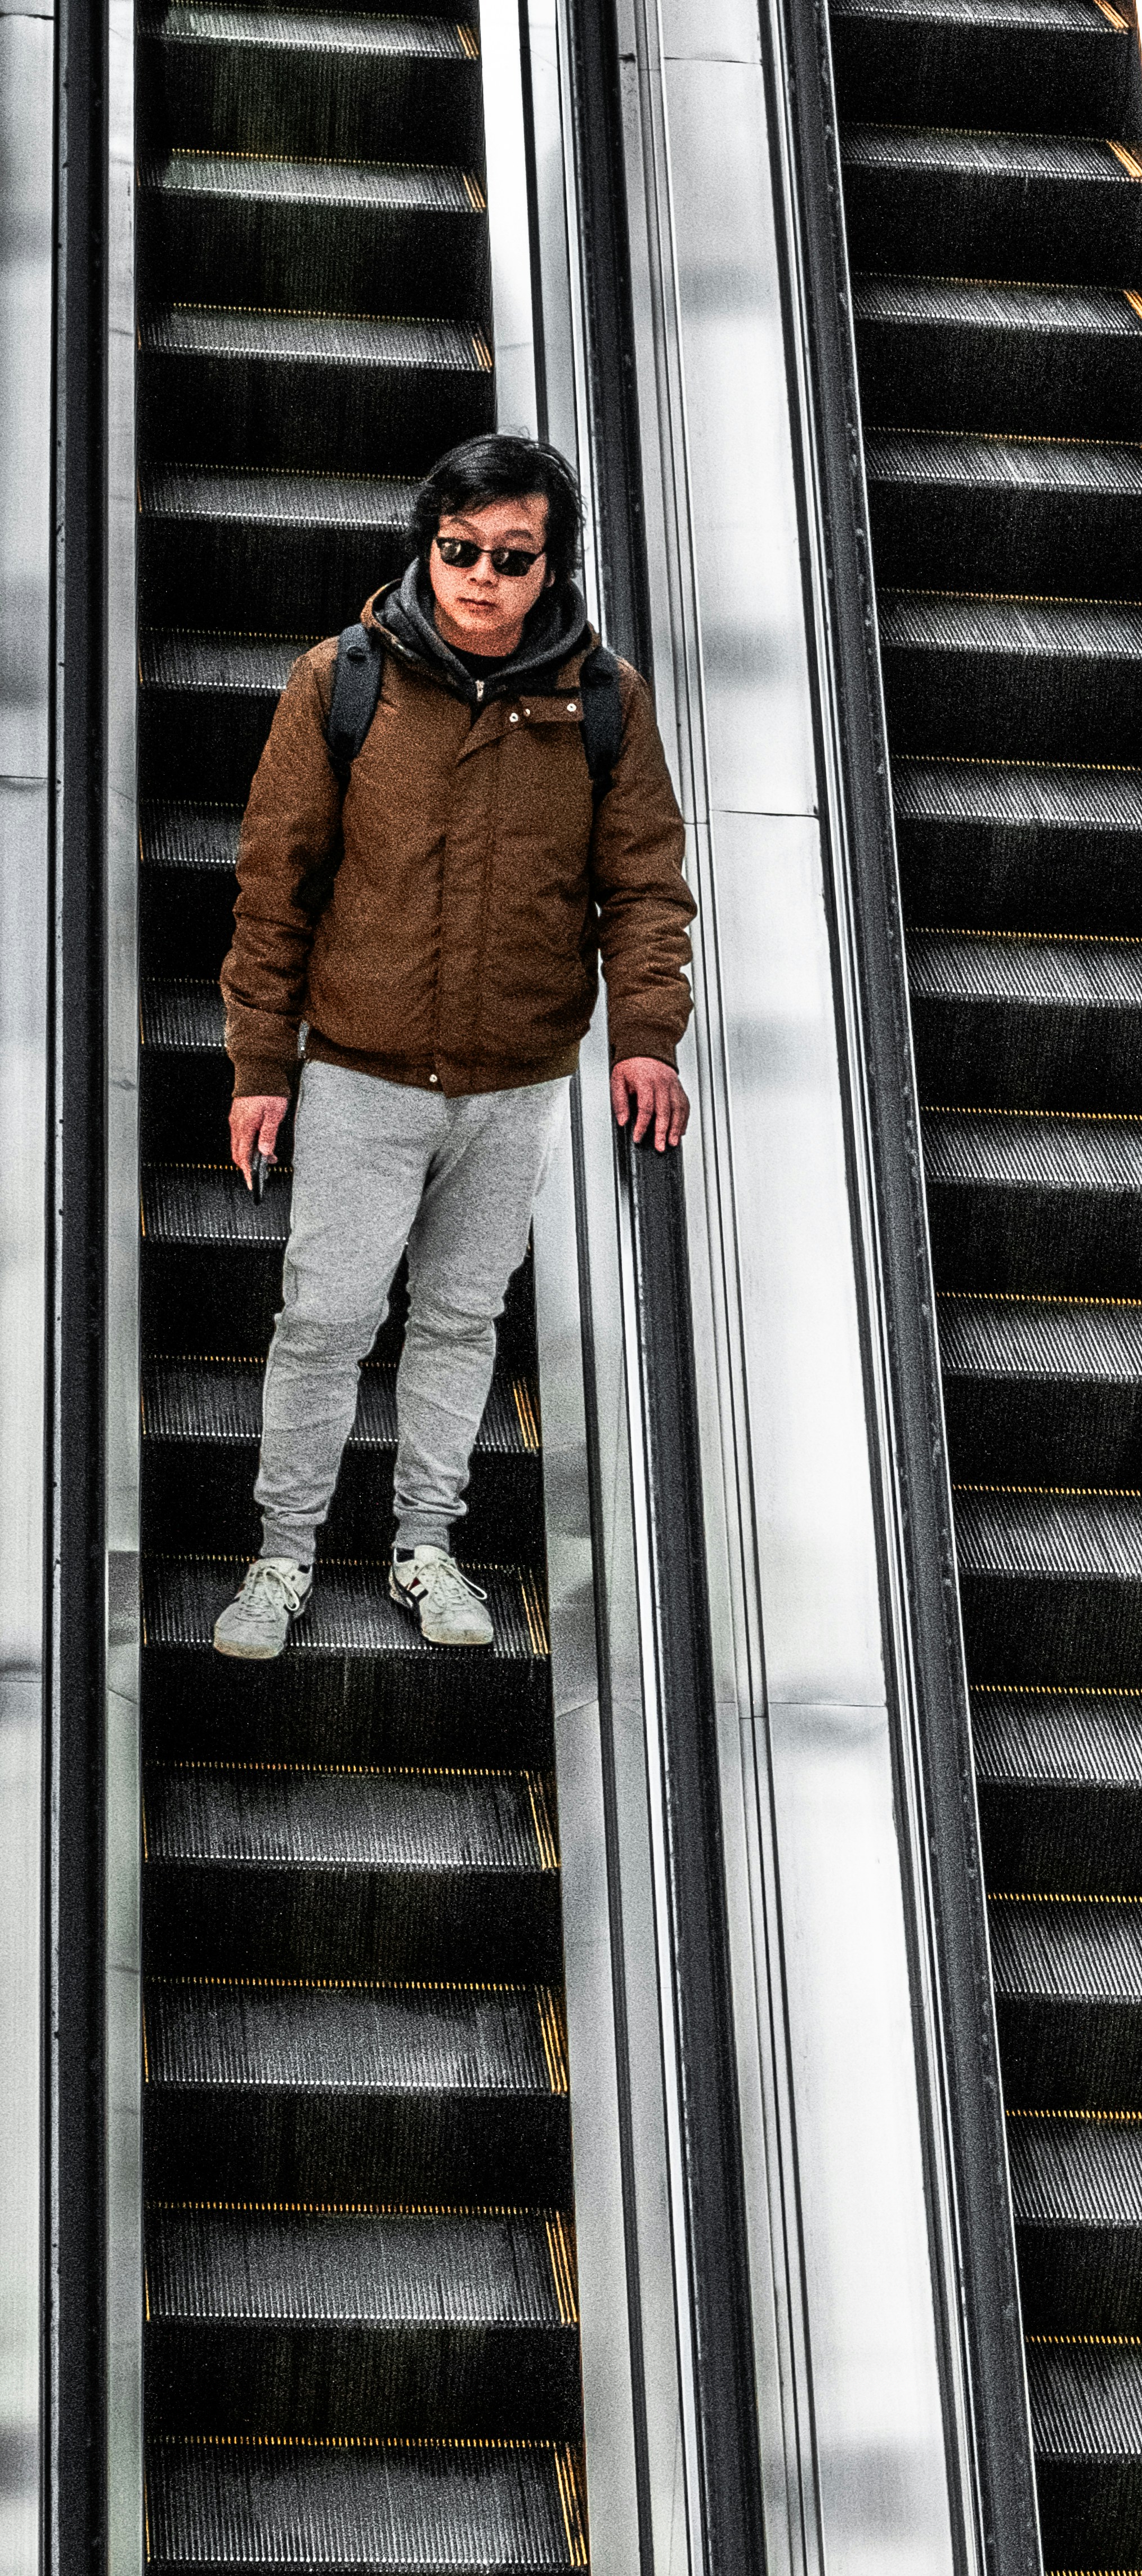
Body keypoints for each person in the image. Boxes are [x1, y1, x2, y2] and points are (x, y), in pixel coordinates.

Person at [213, 431, 696, 1658]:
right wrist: (261, 1064)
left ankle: (426, 1546)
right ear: (429, 547)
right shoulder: (342, 680)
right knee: (325, 1322)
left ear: (552, 567)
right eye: (459, 549)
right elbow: (275, 886)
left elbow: (645, 884)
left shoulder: (603, 704)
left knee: (461, 1319)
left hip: (514, 1081)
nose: (481, 576)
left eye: (511, 557)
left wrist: (647, 1034)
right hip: (359, 1072)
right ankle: (282, 1556)